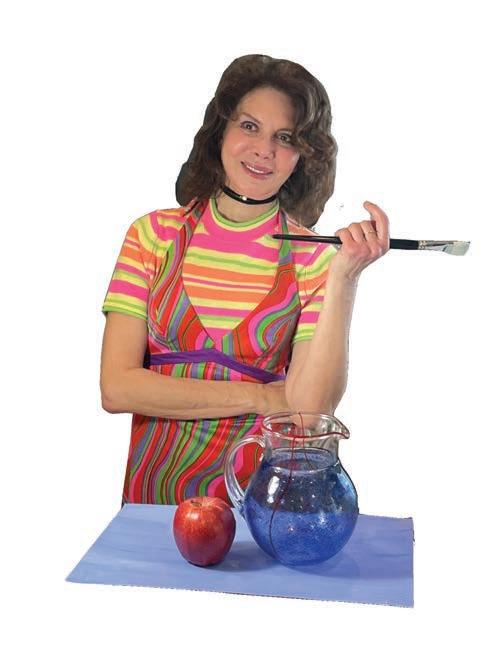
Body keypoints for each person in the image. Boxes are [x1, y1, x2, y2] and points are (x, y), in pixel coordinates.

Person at [100, 54, 390, 507]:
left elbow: (309, 411)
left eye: (285, 137)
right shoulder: (152, 236)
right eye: (249, 126)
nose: (263, 149)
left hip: (261, 505)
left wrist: (345, 277)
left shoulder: (314, 260)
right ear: (221, 130)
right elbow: (117, 388)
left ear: (303, 155)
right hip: (151, 506)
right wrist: (261, 397)